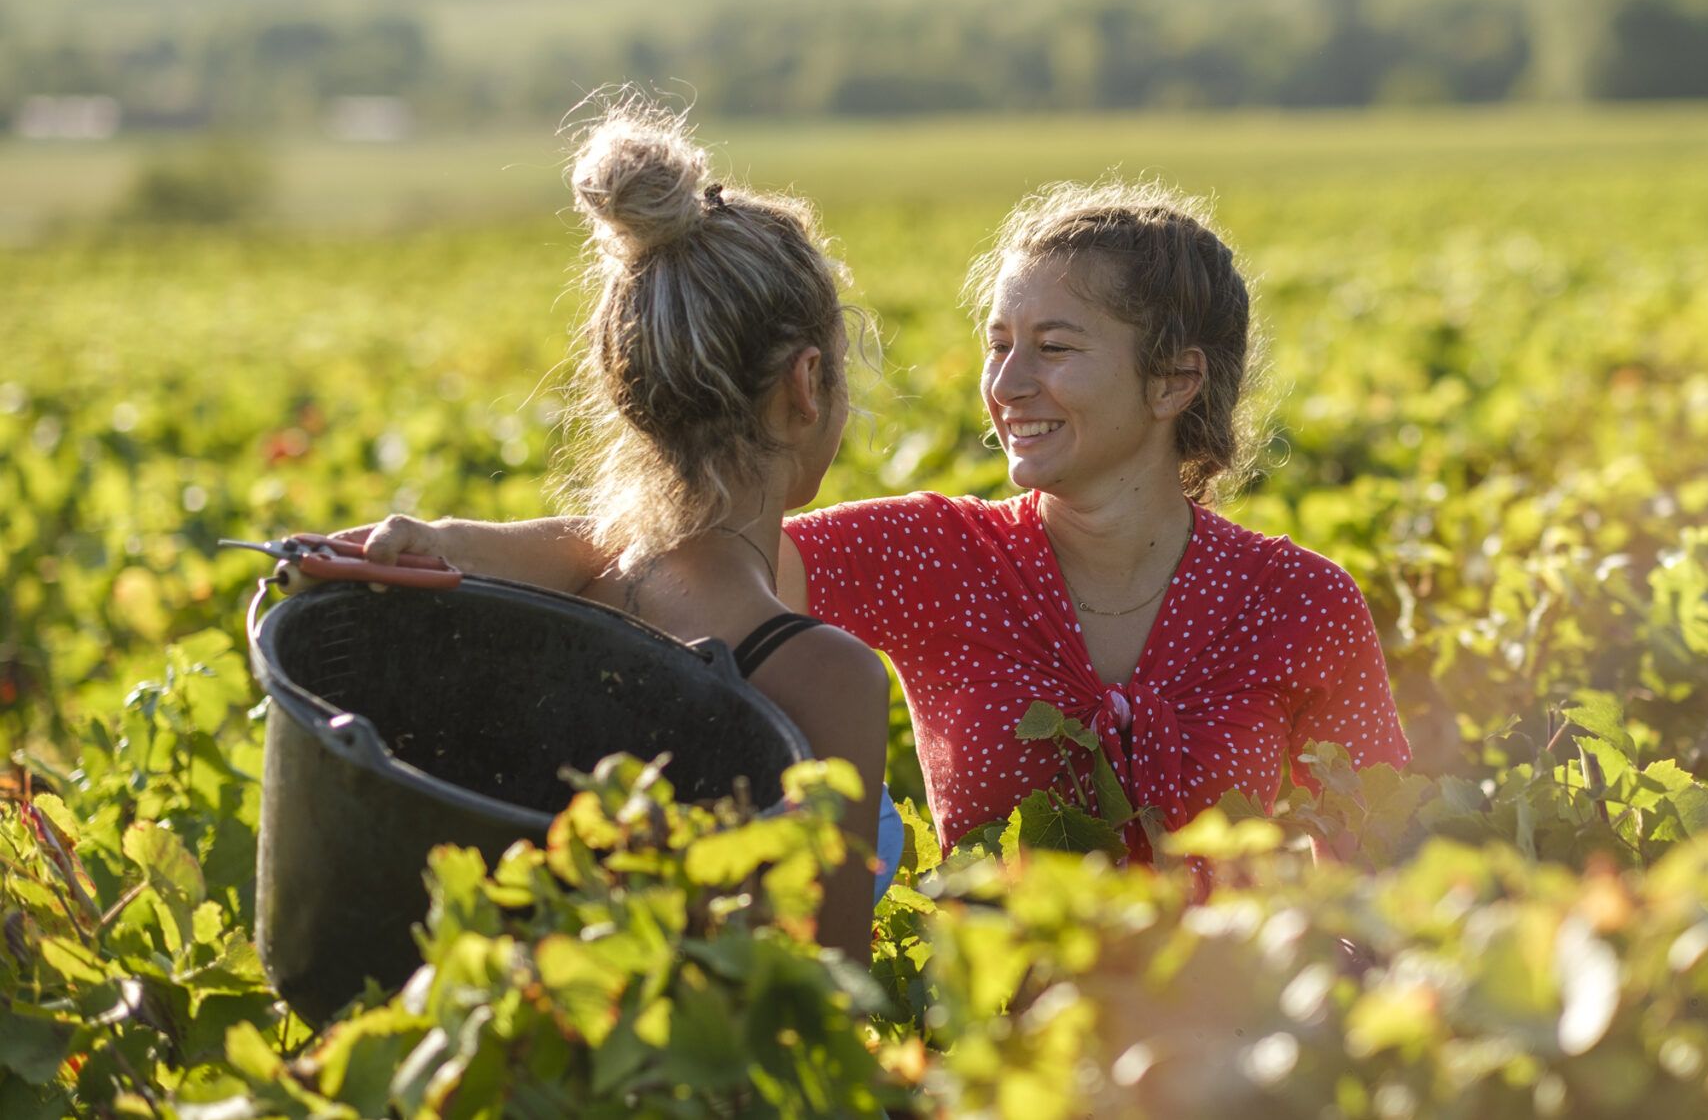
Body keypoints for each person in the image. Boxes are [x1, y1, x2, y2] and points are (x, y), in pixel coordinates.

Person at [366, 174, 1409, 864]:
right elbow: (682, 556)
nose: (1007, 383)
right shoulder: (934, 556)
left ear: (1175, 379)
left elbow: (1384, 863)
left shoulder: (1300, 602)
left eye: (1052, 347)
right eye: (998, 344)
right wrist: (452, 545)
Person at [375, 97, 894, 960]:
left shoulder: (577, 587)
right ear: (808, 384)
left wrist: (456, 539)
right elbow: (826, 1000)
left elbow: (612, 543)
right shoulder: (825, 674)